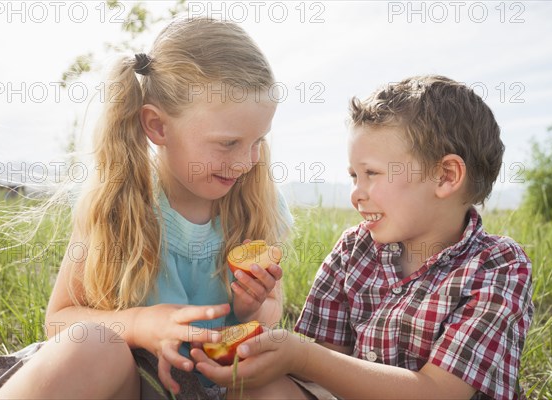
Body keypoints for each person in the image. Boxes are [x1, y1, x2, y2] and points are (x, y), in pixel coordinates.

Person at [0, 16, 293, 400]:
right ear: (158, 126)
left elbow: (272, 309)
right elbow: (59, 320)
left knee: (276, 389)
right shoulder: (118, 200)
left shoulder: (259, 202)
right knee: (92, 346)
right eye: (229, 143)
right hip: (133, 383)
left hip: (220, 388)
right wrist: (136, 324)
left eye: (258, 141)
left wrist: (252, 308)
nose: (247, 161)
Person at [192, 75, 534, 400]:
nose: (356, 193)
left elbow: (439, 392)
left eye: (371, 173)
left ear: (445, 176)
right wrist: (267, 349)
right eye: (354, 175)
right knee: (257, 391)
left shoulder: (497, 265)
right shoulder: (353, 249)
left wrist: (303, 357)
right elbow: (324, 362)